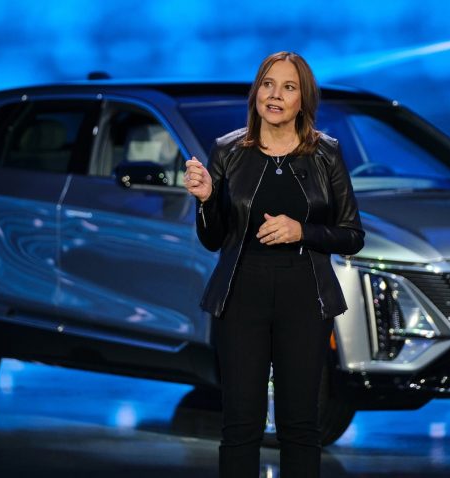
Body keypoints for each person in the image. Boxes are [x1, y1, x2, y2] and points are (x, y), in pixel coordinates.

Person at [184, 51, 364, 478]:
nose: (275, 95)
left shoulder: (326, 154)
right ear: (255, 92)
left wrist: (303, 232)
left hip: (304, 296)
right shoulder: (227, 152)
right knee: (240, 426)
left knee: (301, 426)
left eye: (288, 87)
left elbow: (352, 235)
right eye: (268, 84)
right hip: (242, 295)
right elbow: (213, 240)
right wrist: (208, 200)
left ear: (304, 99)